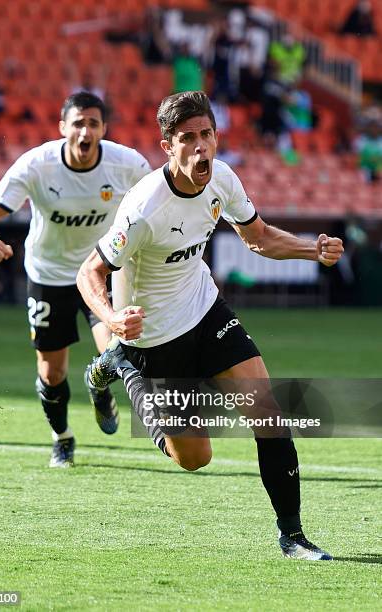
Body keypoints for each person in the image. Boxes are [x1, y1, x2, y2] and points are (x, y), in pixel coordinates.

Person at [77, 91, 344, 560]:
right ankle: (120, 365)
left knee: (268, 414)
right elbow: (89, 273)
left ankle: (292, 536)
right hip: (154, 337)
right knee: (195, 459)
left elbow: (257, 237)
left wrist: (310, 249)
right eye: (187, 139)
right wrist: (113, 318)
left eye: (207, 135)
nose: (201, 147)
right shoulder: (144, 208)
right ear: (167, 147)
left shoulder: (222, 178)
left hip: (206, 312)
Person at [0, 91, 151, 468]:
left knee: (118, 352)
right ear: (62, 128)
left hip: (101, 271)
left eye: (93, 123)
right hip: (49, 275)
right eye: (78, 123)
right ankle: (63, 438)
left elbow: (158, 204)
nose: (85, 131)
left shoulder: (128, 164)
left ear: (104, 129)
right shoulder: (37, 165)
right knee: (51, 371)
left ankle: (98, 383)